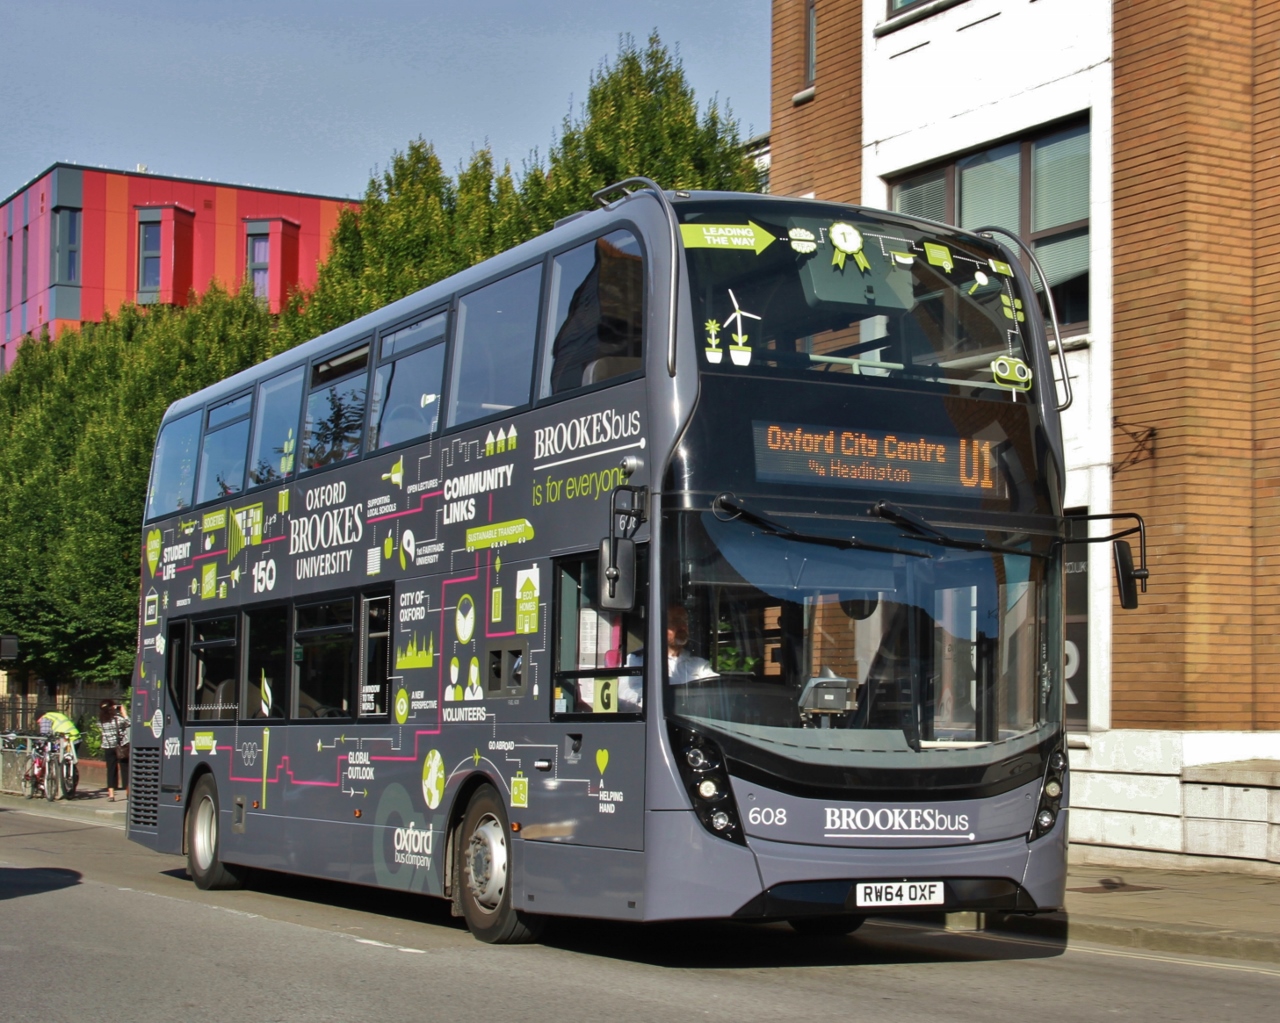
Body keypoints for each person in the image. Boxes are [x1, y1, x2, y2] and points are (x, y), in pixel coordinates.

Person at [665, 605, 718, 685]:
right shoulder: (643, 662)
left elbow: (715, 690)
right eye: (676, 621)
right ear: (659, 626)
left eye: (685, 621)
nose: (683, 627)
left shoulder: (698, 665)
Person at [98, 700, 129, 803]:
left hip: (108, 747)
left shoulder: (101, 721)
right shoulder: (118, 719)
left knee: (111, 770)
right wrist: (123, 712)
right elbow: (128, 723)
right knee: (125, 769)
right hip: (120, 747)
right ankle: (128, 792)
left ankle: (111, 794)